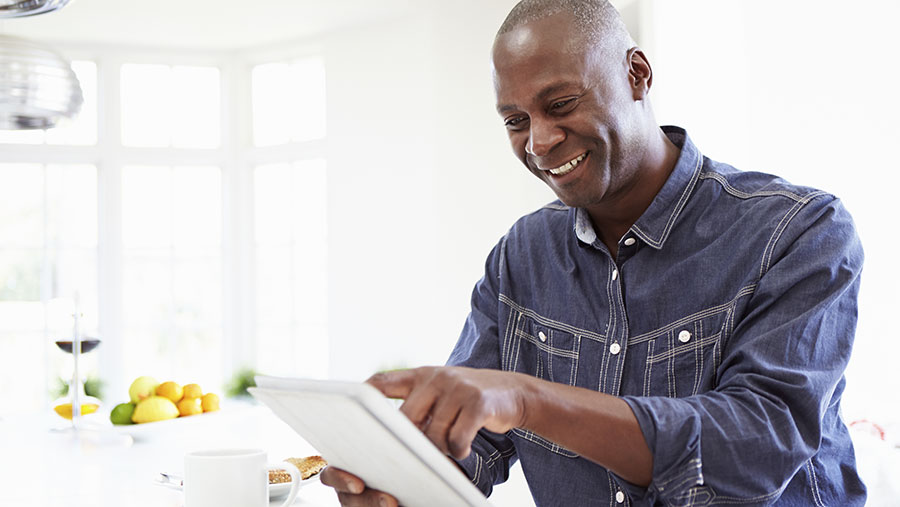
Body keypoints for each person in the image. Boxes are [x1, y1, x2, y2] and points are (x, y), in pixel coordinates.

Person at [322, 0, 866, 505]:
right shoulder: (522, 255)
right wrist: (396, 476)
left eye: (560, 104)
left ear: (637, 75)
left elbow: (755, 444)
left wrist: (527, 399)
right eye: (515, 121)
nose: (538, 142)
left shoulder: (799, 230)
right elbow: (472, 442)